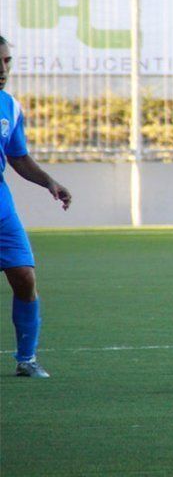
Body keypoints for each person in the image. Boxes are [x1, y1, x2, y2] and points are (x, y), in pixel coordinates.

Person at [0, 35, 73, 378]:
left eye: (7, 61)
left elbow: (17, 157)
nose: (3, 69)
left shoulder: (10, 106)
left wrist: (49, 182)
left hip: (2, 207)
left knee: (25, 277)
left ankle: (26, 359)